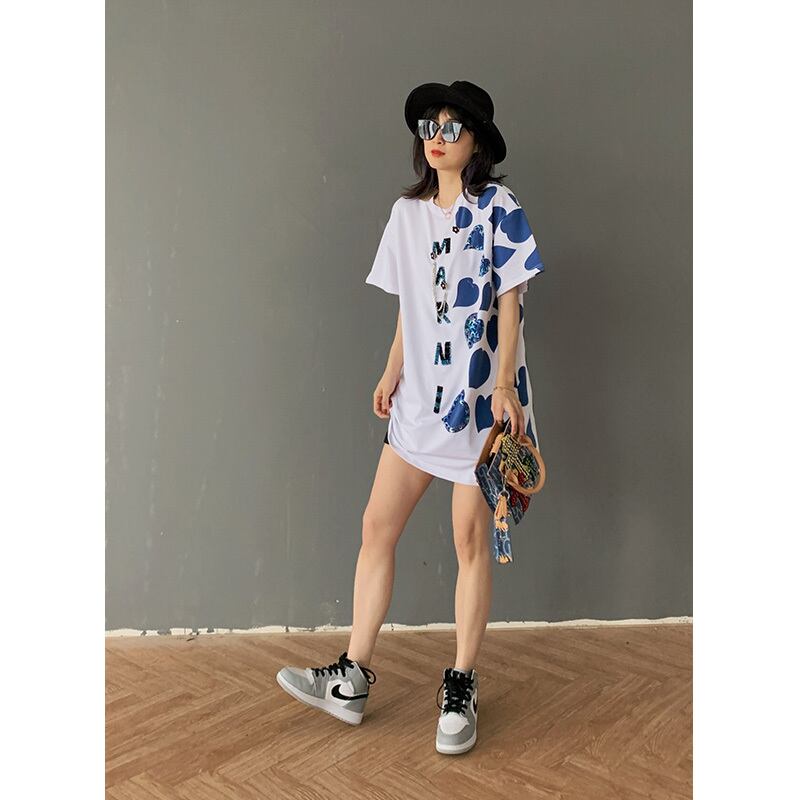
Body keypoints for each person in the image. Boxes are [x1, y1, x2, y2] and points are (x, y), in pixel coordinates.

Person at [276, 80, 546, 755]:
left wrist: (506, 384)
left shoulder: (500, 209)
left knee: (467, 540)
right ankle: (352, 676)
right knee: (377, 526)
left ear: (477, 142)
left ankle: (461, 683)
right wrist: (391, 370)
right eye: (430, 125)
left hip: (480, 407)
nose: (437, 137)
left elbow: (510, 301)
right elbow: (412, 308)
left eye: (453, 127)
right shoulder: (406, 215)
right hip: (420, 400)